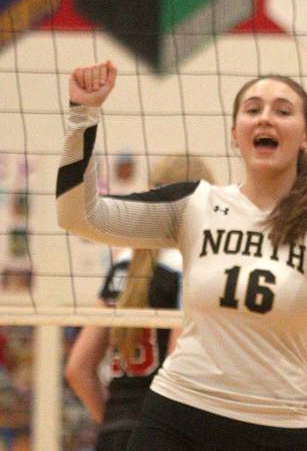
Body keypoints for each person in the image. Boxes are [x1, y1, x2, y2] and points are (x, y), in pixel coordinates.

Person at [57, 67, 307, 451]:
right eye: (253, 108)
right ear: (234, 134)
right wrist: (83, 116)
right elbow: (79, 216)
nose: (265, 118)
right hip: (179, 412)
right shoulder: (196, 204)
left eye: (282, 111)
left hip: (279, 424)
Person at [65, 155, 214, 451]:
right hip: (166, 434)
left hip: (114, 434)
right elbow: (179, 367)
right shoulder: (190, 267)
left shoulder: (123, 263)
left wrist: (114, 422)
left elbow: (78, 369)